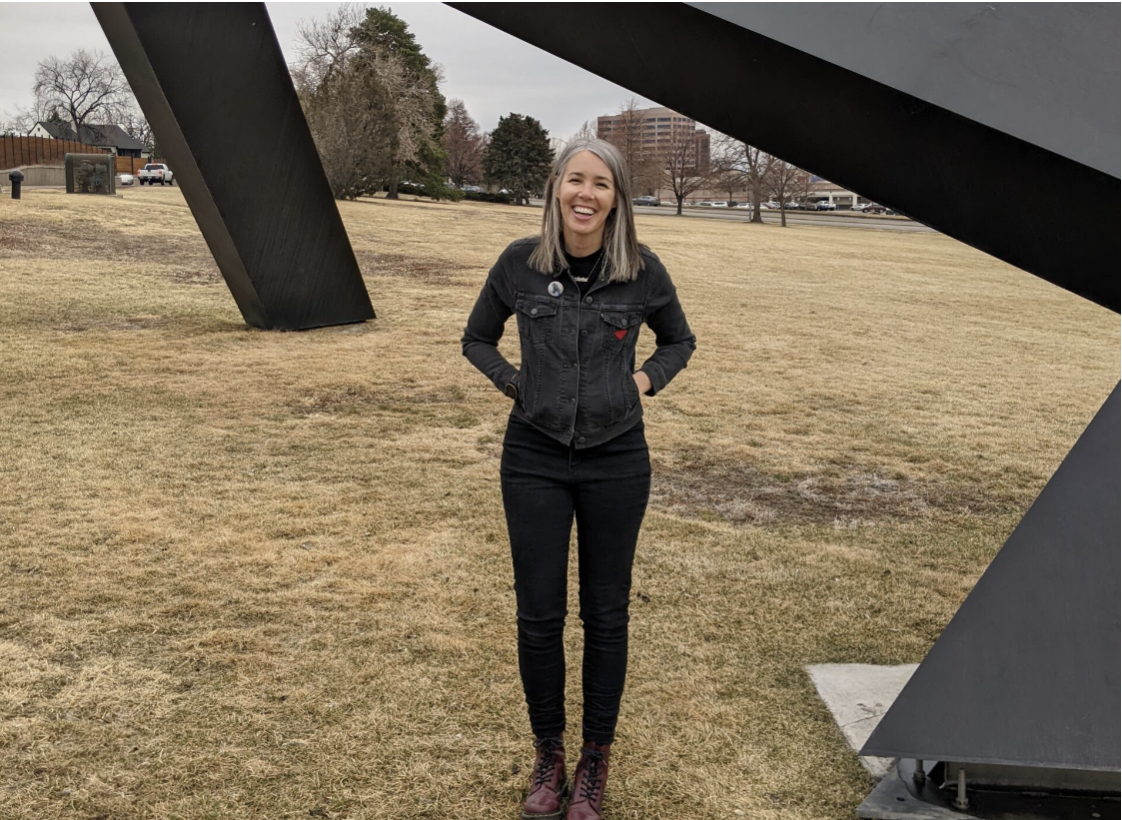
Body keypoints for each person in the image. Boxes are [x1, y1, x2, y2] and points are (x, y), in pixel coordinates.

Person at [461, 138, 696, 820]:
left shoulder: (643, 272)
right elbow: (476, 338)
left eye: (600, 184)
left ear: (616, 198)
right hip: (532, 457)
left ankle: (594, 762)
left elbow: (679, 339)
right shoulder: (519, 264)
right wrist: (516, 383)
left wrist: (644, 382)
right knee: (539, 616)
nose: (585, 194)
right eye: (575, 180)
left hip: (616, 460)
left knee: (606, 615)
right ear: (556, 189)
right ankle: (549, 754)